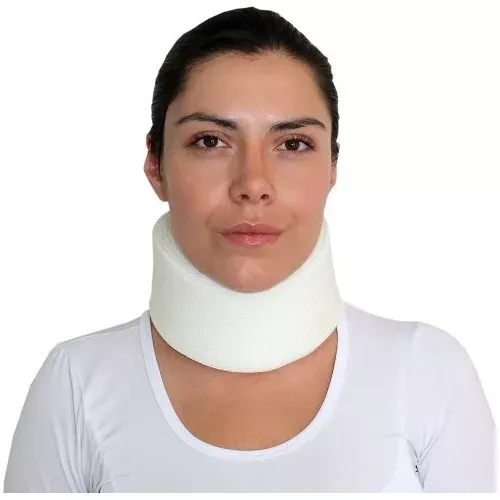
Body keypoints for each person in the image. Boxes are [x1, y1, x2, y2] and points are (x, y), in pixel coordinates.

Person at [3, 6, 496, 493]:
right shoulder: (76, 384)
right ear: (156, 166)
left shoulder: (427, 373)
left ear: (333, 168)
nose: (253, 184)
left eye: (293, 144)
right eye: (210, 141)